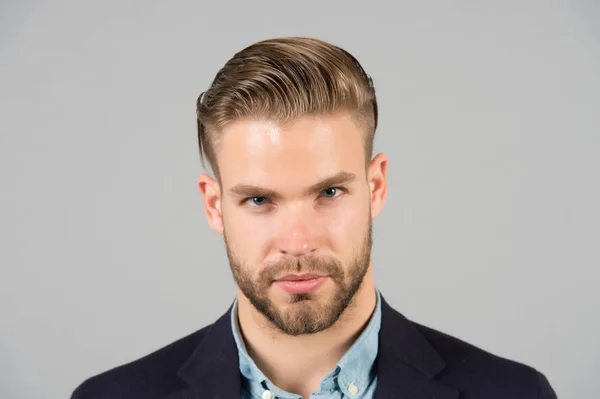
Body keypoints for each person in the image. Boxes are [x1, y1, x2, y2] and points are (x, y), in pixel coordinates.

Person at [71, 37, 557, 399]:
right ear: (214, 205)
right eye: (259, 200)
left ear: (376, 187)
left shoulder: (514, 393)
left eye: (329, 192)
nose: (298, 242)